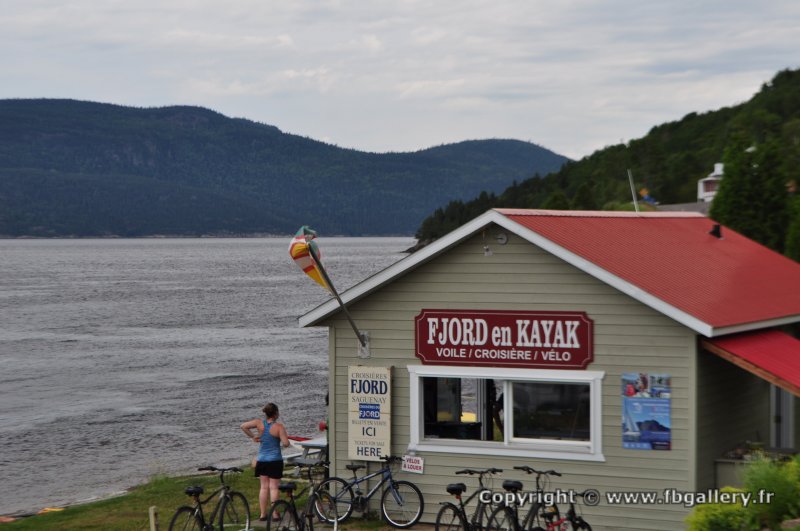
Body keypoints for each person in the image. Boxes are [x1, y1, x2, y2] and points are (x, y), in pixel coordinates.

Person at [241, 403, 290, 521]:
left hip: (262, 460)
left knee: (263, 487)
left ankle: (263, 514)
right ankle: (275, 514)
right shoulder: (279, 427)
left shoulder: (259, 424)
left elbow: (243, 426)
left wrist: (253, 437)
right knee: (273, 487)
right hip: (274, 461)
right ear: (276, 413)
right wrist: (283, 438)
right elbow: (286, 443)